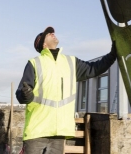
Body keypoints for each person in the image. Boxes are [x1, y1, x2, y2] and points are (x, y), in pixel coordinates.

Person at [16, 26, 117, 154]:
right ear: (43, 44)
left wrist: (113, 55)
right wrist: (26, 95)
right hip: (37, 131)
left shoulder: (70, 62)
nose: (53, 33)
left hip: (59, 132)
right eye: (48, 34)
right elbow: (21, 94)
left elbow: (94, 69)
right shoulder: (35, 63)